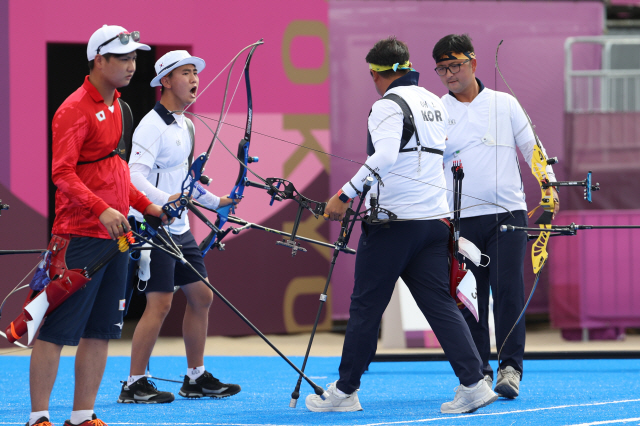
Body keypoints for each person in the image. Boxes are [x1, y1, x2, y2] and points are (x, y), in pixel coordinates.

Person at [306, 36, 497, 414]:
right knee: (440, 304)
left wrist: (343, 196)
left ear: (377, 74)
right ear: (408, 66)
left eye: (372, 75)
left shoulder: (385, 105)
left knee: (364, 307)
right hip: (432, 222)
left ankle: (345, 391)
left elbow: (386, 156)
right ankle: (474, 382)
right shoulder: (432, 102)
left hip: (394, 226)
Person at [27, 25, 166, 426]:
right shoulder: (73, 109)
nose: (131, 65)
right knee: (56, 330)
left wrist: (151, 207)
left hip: (116, 239)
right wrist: (102, 209)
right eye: (122, 58)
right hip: (80, 237)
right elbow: (62, 173)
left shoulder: (120, 107)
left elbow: (115, 170)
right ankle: (38, 418)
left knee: (101, 331)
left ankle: (83, 415)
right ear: (98, 61)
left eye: (134, 58)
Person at [432, 34, 560, 398]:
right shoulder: (437, 109)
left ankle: (510, 369)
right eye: (442, 68)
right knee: (469, 298)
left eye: (455, 64)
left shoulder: (504, 103)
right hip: (460, 220)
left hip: (507, 214)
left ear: (473, 63)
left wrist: (548, 187)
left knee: (508, 292)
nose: (449, 73)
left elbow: (533, 149)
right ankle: (478, 374)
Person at [117, 50, 241, 404]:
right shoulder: (150, 126)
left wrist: (215, 202)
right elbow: (133, 176)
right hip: (153, 225)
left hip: (180, 226)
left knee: (201, 297)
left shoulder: (186, 125)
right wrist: (163, 202)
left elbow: (185, 179)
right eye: (185, 73)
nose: (194, 79)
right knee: (159, 305)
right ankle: (134, 383)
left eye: (195, 73)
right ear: (166, 81)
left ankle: (195, 378)